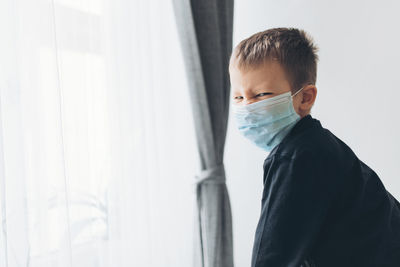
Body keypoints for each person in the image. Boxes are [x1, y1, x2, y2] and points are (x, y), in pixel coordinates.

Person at [229, 27, 400, 267]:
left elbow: (271, 258)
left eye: (260, 94)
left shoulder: (296, 158)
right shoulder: (325, 147)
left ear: (305, 98)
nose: (247, 107)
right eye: (238, 97)